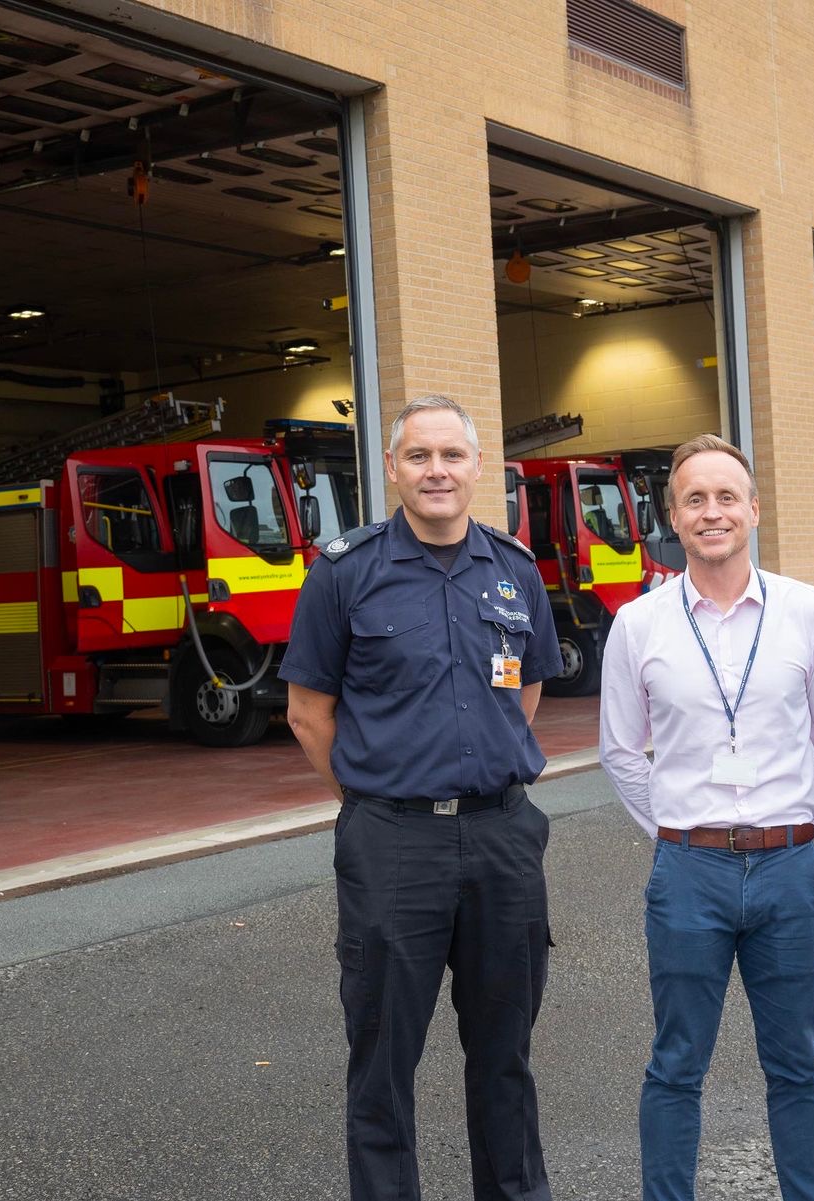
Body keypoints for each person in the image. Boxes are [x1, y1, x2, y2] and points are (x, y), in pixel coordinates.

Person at [281, 394, 562, 1201]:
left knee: (505, 1052)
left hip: (504, 838)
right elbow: (308, 713)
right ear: (393, 469)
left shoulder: (514, 569)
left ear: (480, 468)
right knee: (382, 1058)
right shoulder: (345, 571)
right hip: (392, 844)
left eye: (452, 455)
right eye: (418, 456)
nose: (436, 470)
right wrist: (379, 799)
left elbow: (527, 690)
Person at [599, 434, 814, 1201]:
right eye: (694, 499)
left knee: (797, 1063)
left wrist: (796, 823)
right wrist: (679, 834)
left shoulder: (807, 611)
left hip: (789, 869)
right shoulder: (638, 625)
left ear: (752, 508)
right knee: (676, 1063)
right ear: (673, 517)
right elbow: (620, 750)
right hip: (688, 874)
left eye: (725, 497)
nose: (712, 512)